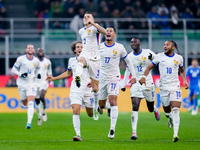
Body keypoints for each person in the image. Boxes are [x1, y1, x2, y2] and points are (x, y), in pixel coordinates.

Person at [139, 40, 189, 142]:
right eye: (164, 45)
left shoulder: (179, 58)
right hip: (163, 87)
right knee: (167, 112)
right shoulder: (159, 57)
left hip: (175, 87)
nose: (165, 46)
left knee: (176, 110)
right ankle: (169, 118)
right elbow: (149, 68)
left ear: (173, 47)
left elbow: (182, 71)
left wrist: (184, 81)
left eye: (167, 45)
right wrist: (144, 76)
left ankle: (175, 134)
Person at [46, 41, 94, 141]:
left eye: (82, 47)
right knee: (76, 109)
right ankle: (78, 135)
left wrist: (94, 83)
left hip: (88, 89)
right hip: (76, 88)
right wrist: (54, 78)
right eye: (78, 47)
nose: (80, 48)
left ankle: (101, 106)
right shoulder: (71, 60)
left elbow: (96, 74)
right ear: (74, 50)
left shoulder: (90, 60)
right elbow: (68, 73)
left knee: (90, 114)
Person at [98, 26, 136, 139]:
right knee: (101, 105)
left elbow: (128, 61)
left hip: (114, 77)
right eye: (106, 31)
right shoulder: (99, 47)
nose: (108, 32)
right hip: (102, 78)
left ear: (114, 34)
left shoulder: (119, 47)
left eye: (110, 31)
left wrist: (134, 76)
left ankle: (112, 129)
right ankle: (107, 107)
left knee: (113, 100)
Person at [121, 37, 160, 140]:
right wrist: (124, 84)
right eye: (131, 42)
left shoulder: (148, 53)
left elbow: (157, 60)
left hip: (148, 83)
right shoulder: (129, 56)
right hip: (136, 83)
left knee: (150, 108)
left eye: (135, 42)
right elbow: (127, 71)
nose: (133, 43)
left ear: (140, 43)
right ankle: (134, 132)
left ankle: (155, 109)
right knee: (135, 105)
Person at [74, 12, 107, 120]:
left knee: (95, 88)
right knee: (80, 61)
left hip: (96, 59)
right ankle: (77, 77)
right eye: (84, 17)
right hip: (85, 56)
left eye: (88, 16)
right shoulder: (81, 31)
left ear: (92, 19)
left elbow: (105, 32)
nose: (85, 18)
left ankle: (97, 107)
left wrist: (92, 23)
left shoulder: (95, 28)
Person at [11, 44, 41, 129]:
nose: (30, 49)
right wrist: (20, 74)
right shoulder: (21, 59)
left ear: (34, 50)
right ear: (26, 50)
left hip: (32, 83)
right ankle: (28, 108)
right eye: (29, 48)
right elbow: (13, 69)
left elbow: (39, 70)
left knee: (31, 103)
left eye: (32, 48)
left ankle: (29, 123)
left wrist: (38, 75)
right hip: (22, 84)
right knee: (25, 103)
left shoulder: (36, 61)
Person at [35, 48, 52, 126]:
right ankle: (39, 116)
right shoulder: (34, 61)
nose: (41, 52)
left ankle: (44, 112)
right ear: (37, 53)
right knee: (37, 100)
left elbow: (49, 72)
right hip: (35, 83)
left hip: (44, 82)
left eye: (42, 51)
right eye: (39, 51)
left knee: (42, 97)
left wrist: (49, 78)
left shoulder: (47, 62)